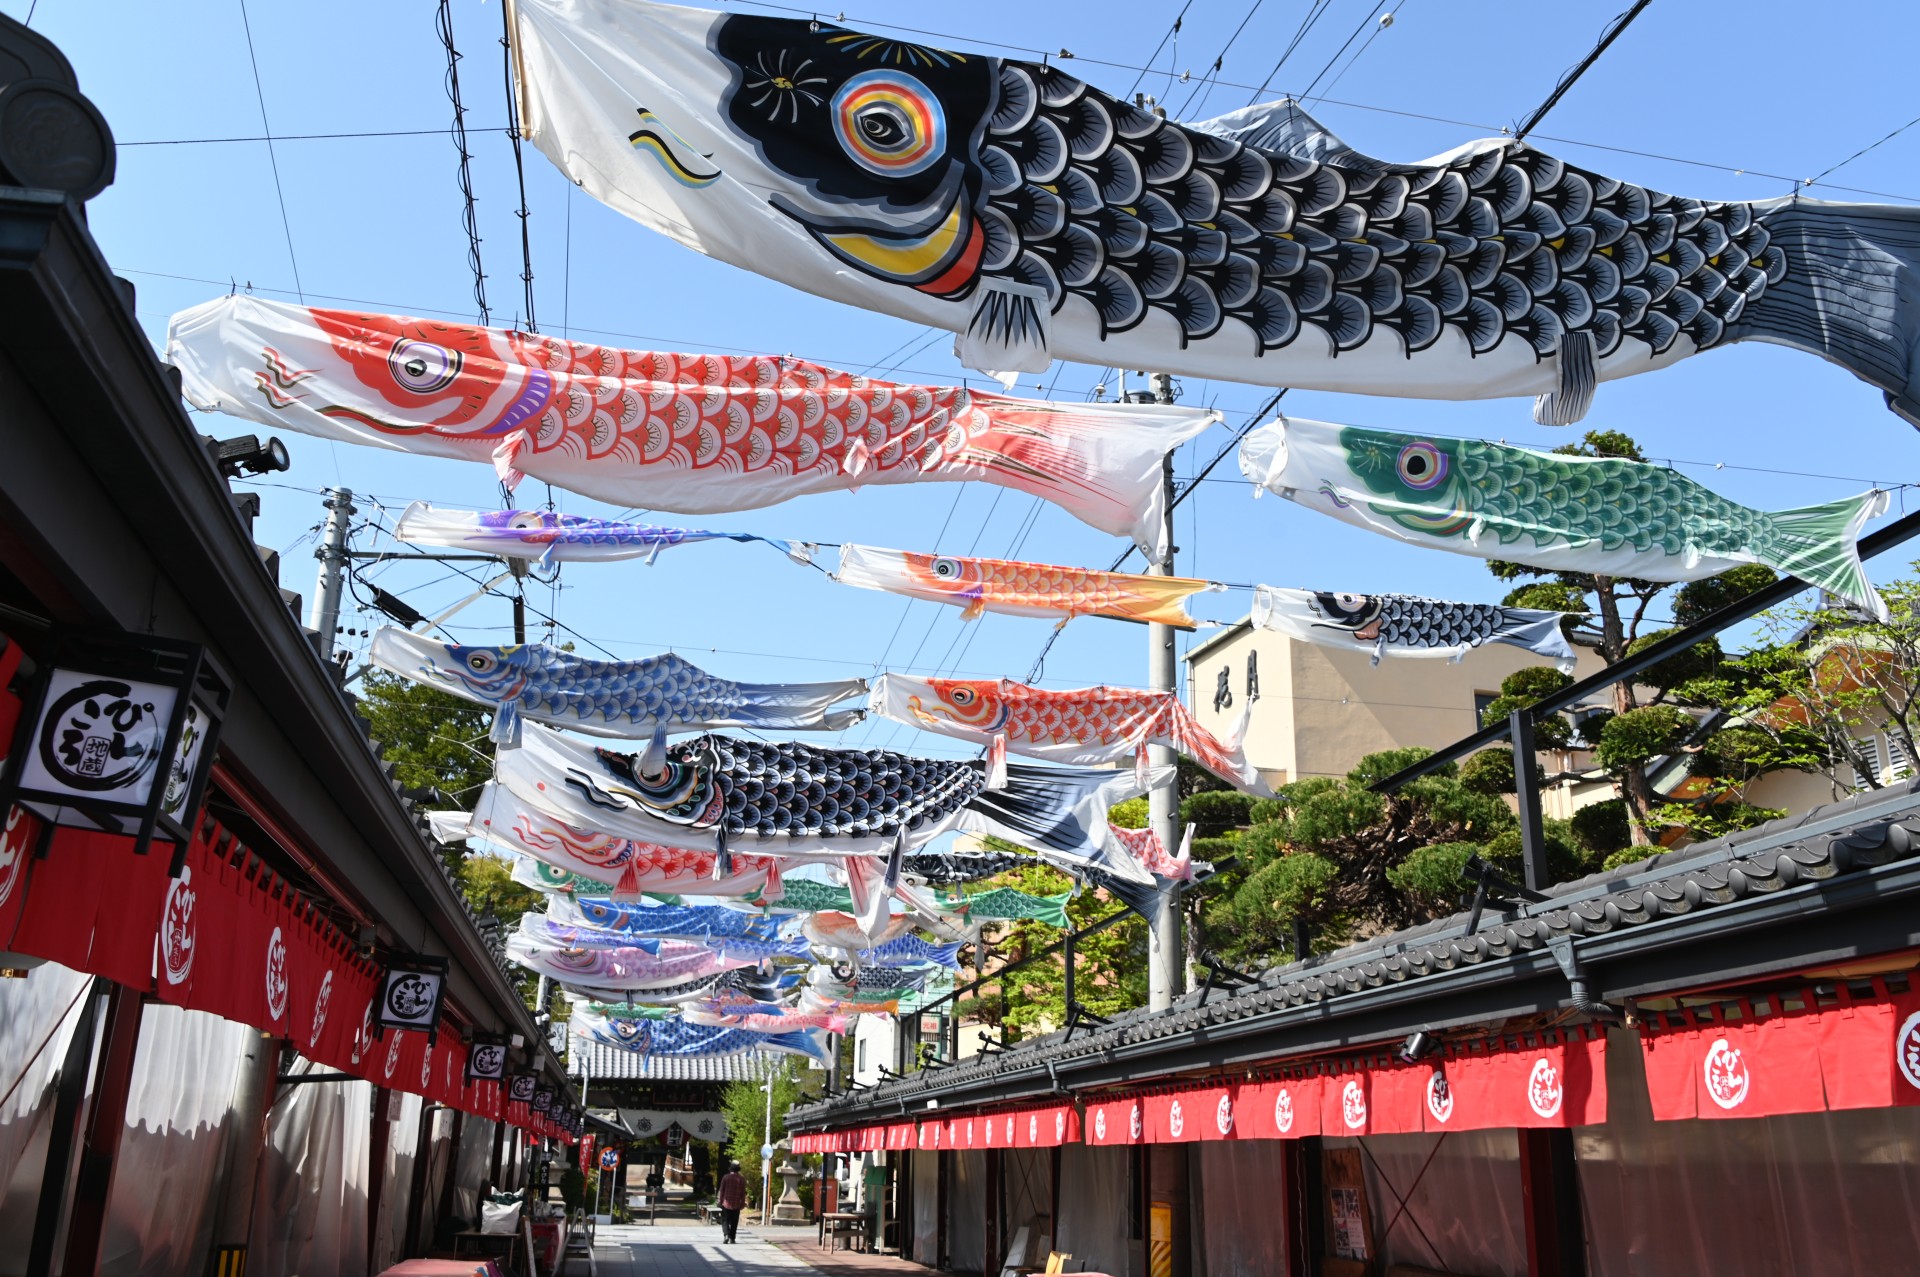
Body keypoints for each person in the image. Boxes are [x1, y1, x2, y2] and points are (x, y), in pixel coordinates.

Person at [717, 1162, 747, 1244]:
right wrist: (742, 1203)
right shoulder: (741, 1179)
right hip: (736, 1203)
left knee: (725, 1220)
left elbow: (721, 1190)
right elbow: (742, 1192)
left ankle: (726, 1235)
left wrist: (720, 1201)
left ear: (730, 1169)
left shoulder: (725, 1177)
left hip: (726, 1203)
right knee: (734, 1221)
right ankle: (732, 1238)